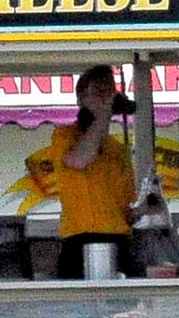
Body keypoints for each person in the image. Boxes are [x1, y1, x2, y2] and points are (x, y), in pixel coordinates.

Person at [49, 65, 141, 278]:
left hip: (119, 240)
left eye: (110, 91)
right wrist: (102, 116)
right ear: (81, 98)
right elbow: (79, 160)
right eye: (98, 91)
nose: (105, 97)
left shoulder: (117, 149)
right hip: (79, 239)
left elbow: (126, 210)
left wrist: (146, 209)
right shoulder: (64, 136)